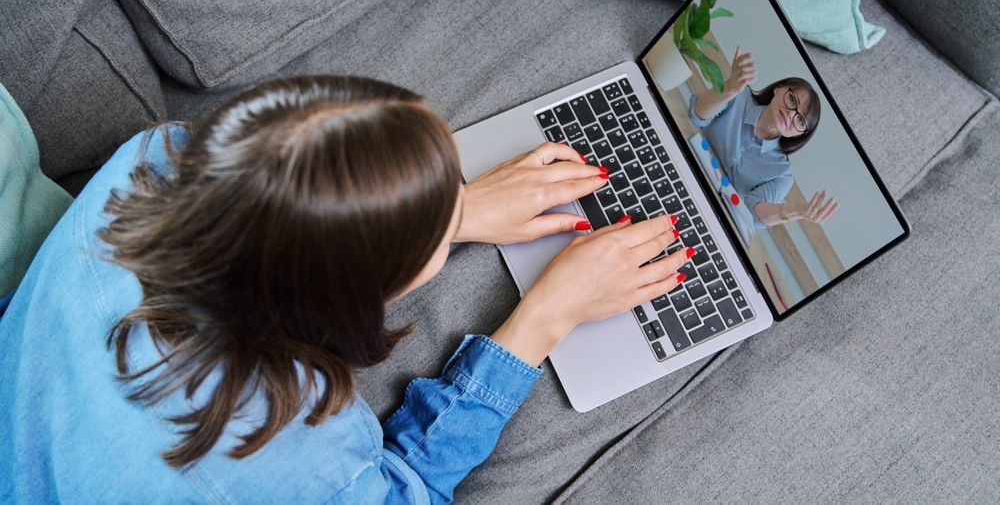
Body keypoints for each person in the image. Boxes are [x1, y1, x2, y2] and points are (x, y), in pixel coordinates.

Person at [0, 75, 695, 503]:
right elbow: (407, 494)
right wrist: (547, 315)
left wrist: (447, 212)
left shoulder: (152, 164)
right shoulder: (301, 452)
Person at [689, 47, 839, 230]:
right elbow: (697, 114)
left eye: (800, 120)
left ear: (800, 134)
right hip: (685, 161)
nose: (791, 115)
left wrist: (797, 211)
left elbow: (753, 212)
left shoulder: (782, 173)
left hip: (715, 218)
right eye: (792, 100)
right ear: (778, 89)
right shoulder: (739, 96)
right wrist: (730, 88)